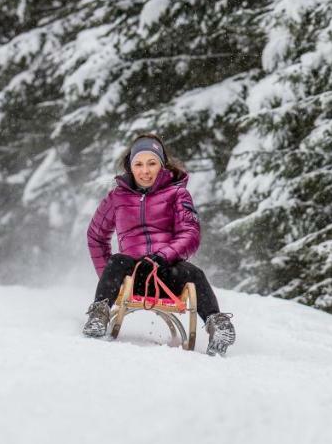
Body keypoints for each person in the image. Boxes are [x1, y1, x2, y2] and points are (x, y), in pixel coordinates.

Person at [83, 133, 235, 356]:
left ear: (162, 165)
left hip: (166, 272)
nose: (145, 170)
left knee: (194, 273)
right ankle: (99, 314)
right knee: (117, 261)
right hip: (132, 274)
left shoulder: (177, 193)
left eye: (152, 163)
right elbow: (95, 236)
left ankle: (218, 325)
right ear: (130, 167)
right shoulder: (117, 197)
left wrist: (164, 256)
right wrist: (110, 278)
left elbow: (190, 232)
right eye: (139, 164)